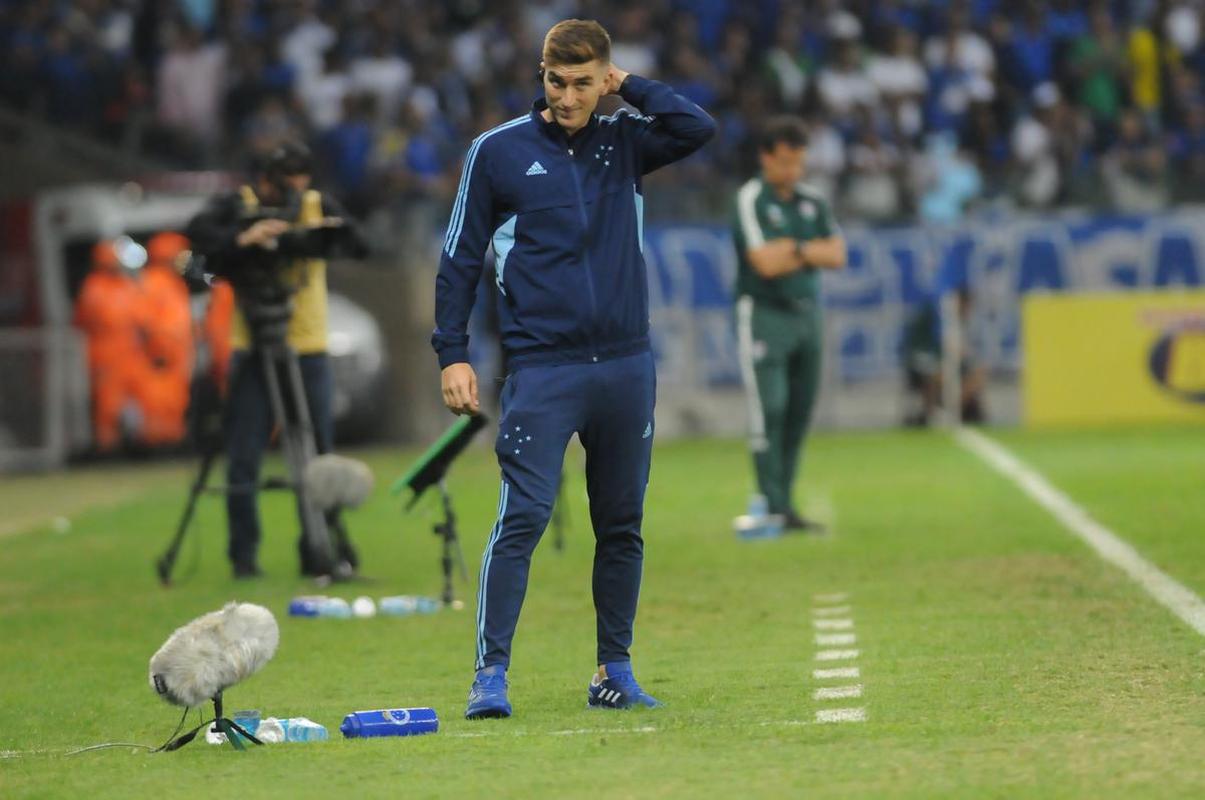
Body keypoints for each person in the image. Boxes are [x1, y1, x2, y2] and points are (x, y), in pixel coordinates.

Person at [432, 19, 715, 719]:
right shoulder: (495, 153)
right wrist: (452, 353)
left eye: (584, 82)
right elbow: (459, 258)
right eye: (556, 81)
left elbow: (697, 126)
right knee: (522, 518)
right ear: (541, 75)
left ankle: (611, 672)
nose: (566, 96)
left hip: (624, 364)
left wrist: (630, 88)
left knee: (620, 524)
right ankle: (489, 675)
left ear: (605, 79)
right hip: (542, 369)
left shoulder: (625, 142)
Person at [186, 140, 367, 579]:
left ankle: (321, 548)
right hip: (255, 343)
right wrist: (243, 238)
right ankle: (244, 557)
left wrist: (327, 231)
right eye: (283, 186)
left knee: (320, 454)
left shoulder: (314, 204)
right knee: (245, 453)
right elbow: (198, 238)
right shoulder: (238, 204)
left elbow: (361, 243)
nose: (289, 198)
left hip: (309, 345)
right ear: (264, 179)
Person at [731, 117, 846, 533]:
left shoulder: (812, 200)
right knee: (771, 407)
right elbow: (763, 262)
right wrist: (807, 251)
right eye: (784, 161)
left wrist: (793, 249)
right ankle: (771, 503)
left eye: (798, 162)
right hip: (764, 314)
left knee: (798, 411)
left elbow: (836, 254)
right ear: (766, 157)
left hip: (806, 313)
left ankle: (785, 502)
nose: (792, 171)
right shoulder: (751, 199)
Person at [902, 286, 987, 426]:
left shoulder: (960, 322)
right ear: (959, 302)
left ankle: (954, 410)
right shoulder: (937, 315)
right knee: (938, 373)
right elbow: (925, 348)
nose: (969, 311)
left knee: (977, 375)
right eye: (967, 306)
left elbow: (963, 352)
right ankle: (934, 414)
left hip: (949, 364)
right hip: (928, 361)